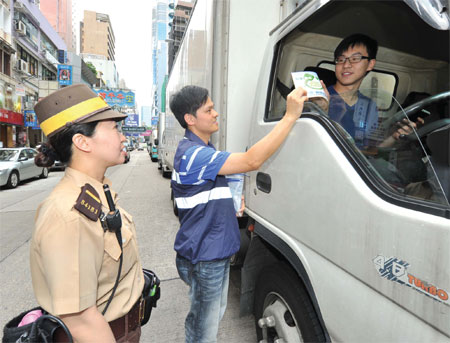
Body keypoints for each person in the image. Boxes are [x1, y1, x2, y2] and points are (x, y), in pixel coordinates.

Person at [169, 85, 307, 343]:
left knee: (207, 318)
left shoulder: (202, 151)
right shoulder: (193, 154)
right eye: (208, 109)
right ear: (190, 119)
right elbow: (252, 161)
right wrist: (290, 116)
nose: (216, 114)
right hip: (205, 257)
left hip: (212, 253)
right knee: (203, 330)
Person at [31, 84, 145, 343]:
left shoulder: (97, 193)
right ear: (82, 142)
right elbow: (80, 320)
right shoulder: (66, 214)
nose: (123, 137)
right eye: (114, 128)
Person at [326, 33, 379, 148]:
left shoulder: (370, 106)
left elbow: (368, 149)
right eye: (340, 59)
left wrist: (395, 137)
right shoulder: (320, 98)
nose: (346, 65)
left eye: (355, 59)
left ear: (370, 64)